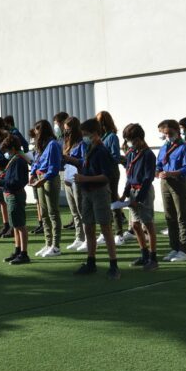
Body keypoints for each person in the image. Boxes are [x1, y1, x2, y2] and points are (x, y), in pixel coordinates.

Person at [73, 118, 121, 279]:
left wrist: (84, 179)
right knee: (88, 227)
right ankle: (91, 261)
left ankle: (114, 264)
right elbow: (87, 166)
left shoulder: (102, 150)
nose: (84, 137)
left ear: (95, 134)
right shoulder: (89, 148)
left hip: (99, 192)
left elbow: (107, 176)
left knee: (105, 228)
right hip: (87, 192)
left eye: (86, 134)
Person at [121, 124, 159, 271]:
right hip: (132, 191)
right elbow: (129, 175)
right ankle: (144, 254)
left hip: (144, 191)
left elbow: (148, 178)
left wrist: (139, 199)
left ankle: (153, 257)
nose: (128, 143)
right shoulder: (131, 153)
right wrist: (125, 193)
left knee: (147, 224)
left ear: (138, 139)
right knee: (135, 224)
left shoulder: (148, 154)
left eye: (130, 140)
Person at [156, 119, 186, 262]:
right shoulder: (164, 147)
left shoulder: (184, 147)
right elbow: (159, 164)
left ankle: (184, 250)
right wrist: (158, 171)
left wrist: (173, 173)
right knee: (169, 217)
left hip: (179, 182)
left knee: (182, 217)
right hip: (165, 183)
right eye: (165, 134)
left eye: (169, 133)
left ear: (177, 131)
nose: (167, 136)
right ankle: (174, 247)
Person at [29, 120, 63, 257]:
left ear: (42, 131)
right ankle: (48, 243)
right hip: (40, 178)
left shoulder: (53, 144)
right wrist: (32, 174)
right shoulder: (41, 145)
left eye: (37, 130)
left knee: (53, 212)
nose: (35, 133)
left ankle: (56, 246)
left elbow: (54, 167)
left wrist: (42, 179)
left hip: (49, 179)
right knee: (43, 213)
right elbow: (36, 161)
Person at [0, 135, 31, 265]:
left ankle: (24, 253)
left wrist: (1, 181)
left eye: (7, 150)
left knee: (20, 225)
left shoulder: (18, 160)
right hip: (11, 194)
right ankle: (18, 250)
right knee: (15, 225)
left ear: (12, 148)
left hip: (15, 194)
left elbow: (17, 181)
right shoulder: (15, 159)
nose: (6, 153)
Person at [60, 115, 88, 252]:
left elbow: (84, 162)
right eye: (65, 129)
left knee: (82, 211)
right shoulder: (66, 143)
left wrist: (70, 159)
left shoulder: (82, 143)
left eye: (68, 129)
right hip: (67, 179)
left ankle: (88, 239)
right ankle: (79, 237)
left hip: (77, 179)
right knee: (74, 212)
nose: (66, 132)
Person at [96, 111, 125, 241]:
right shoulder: (98, 137)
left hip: (111, 173)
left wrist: (103, 158)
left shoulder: (112, 137)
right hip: (100, 173)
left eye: (99, 121)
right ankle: (105, 231)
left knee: (113, 201)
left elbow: (115, 157)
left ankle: (119, 233)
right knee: (103, 203)